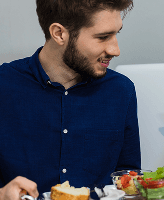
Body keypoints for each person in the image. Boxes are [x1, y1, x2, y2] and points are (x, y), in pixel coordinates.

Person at [0, 0, 141, 199]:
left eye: (116, 33)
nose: (115, 50)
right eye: (103, 37)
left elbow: (128, 177)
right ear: (59, 33)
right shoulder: (3, 85)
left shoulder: (121, 91)